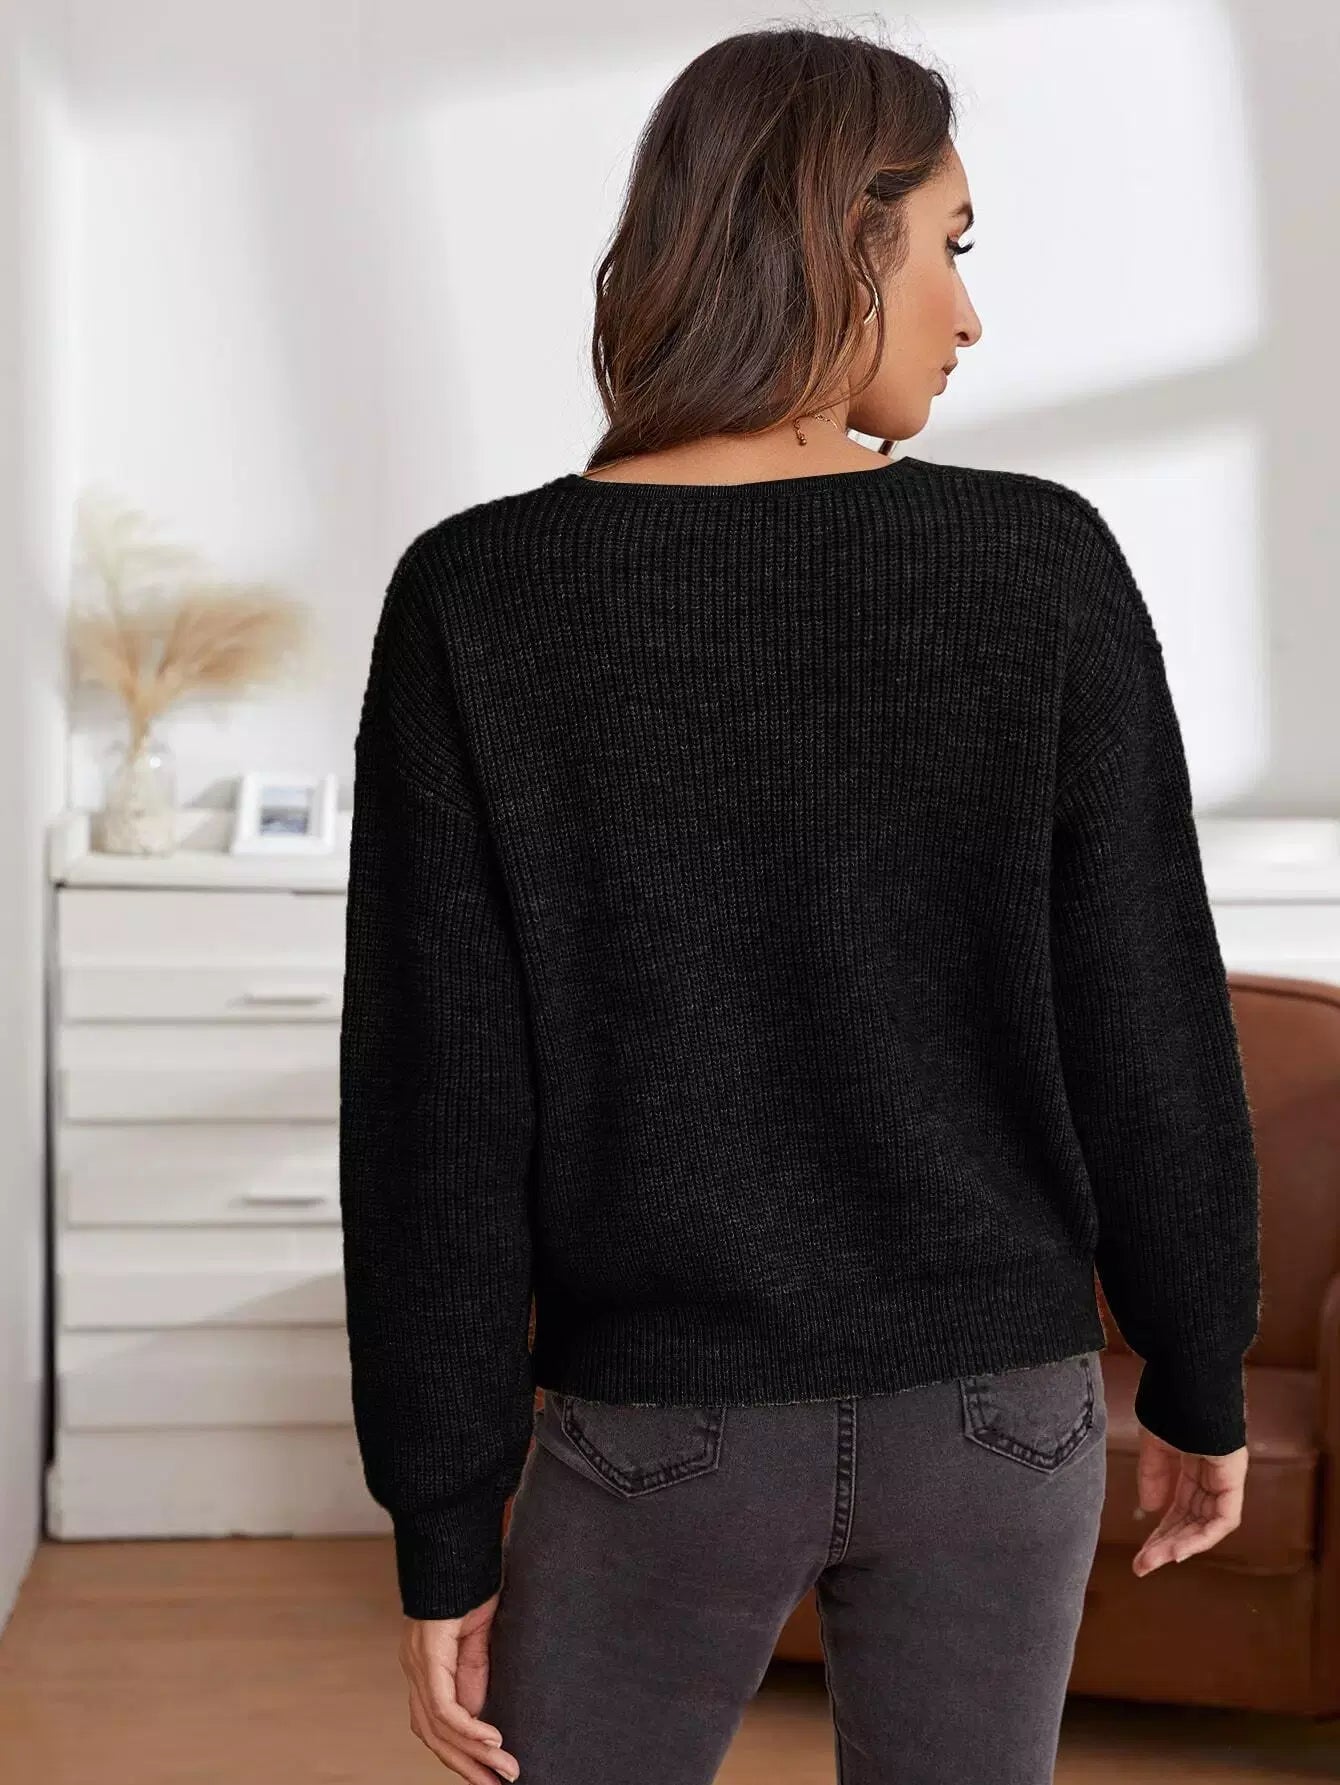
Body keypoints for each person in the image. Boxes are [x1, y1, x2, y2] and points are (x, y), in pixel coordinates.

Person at [338, 23, 1261, 1785]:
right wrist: (1197, 1367)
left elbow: (437, 1119)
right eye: (950, 247)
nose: (969, 315)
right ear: (845, 243)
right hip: (999, 1419)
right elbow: (1149, 1014)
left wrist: (445, 1525)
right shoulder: (1041, 565)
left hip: (662, 1431)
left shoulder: (480, 596)